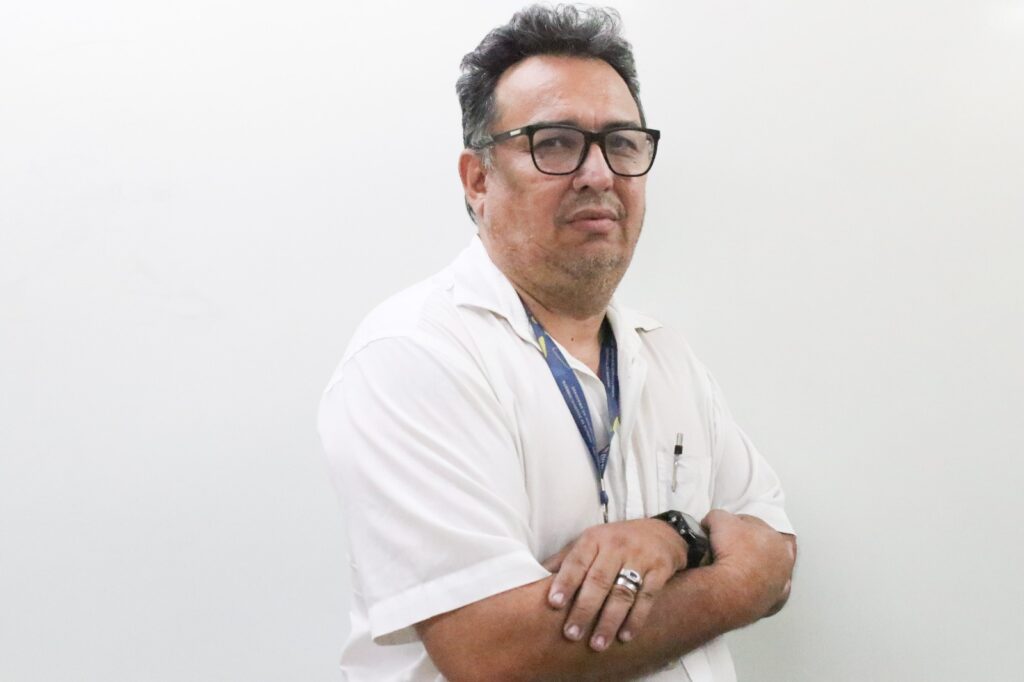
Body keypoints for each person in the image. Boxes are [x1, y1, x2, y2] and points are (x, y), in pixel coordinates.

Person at [318, 5, 796, 681]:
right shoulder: (416, 355)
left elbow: (774, 543)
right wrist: (735, 585)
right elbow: (495, 654)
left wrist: (674, 537)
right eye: (557, 143)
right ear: (478, 180)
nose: (599, 174)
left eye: (621, 143)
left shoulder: (666, 356)